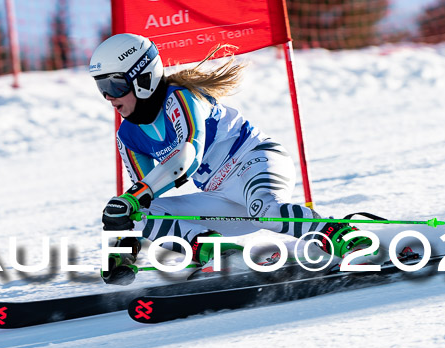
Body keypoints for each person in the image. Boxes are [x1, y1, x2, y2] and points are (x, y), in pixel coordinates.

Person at [90, 33, 369, 284]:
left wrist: (134, 197)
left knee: (265, 210)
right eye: (101, 87)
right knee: (141, 212)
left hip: (256, 162)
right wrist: (123, 244)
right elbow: (144, 197)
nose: (107, 97)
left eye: (114, 86)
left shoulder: (181, 98)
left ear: (143, 78)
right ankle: (221, 255)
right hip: (223, 197)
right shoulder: (127, 136)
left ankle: (340, 234)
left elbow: (189, 155)